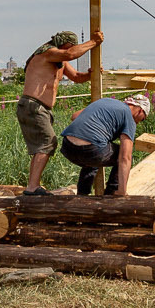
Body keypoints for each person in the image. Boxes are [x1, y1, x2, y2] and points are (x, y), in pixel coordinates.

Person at [18, 30, 101, 194]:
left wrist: (90, 75)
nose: (69, 50)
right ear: (61, 44)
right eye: (69, 46)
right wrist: (94, 42)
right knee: (47, 143)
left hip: (41, 108)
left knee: (43, 145)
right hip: (33, 105)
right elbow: (70, 54)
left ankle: (32, 186)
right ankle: (33, 187)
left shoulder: (60, 60)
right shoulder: (48, 52)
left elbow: (77, 77)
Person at [59, 94, 151, 196]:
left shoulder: (105, 101)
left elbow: (74, 116)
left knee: (95, 154)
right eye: (142, 119)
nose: (138, 123)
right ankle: (112, 193)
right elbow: (125, 158)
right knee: (120, 154)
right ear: (140, 111)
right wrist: (122, 191)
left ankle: (82, 194)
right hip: (91, 151)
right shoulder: (129, 116)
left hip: (68, 147)